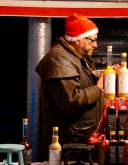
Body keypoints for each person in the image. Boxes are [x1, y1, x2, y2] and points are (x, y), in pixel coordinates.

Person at [35, 14, 105, 152]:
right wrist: (99, 87)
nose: (95, 45)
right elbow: (71, 101)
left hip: (79, 136)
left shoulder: (77, 56)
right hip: (70, 140)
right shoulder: (59, 59)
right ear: (78, 39)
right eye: (92, 40)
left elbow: (83, 83)